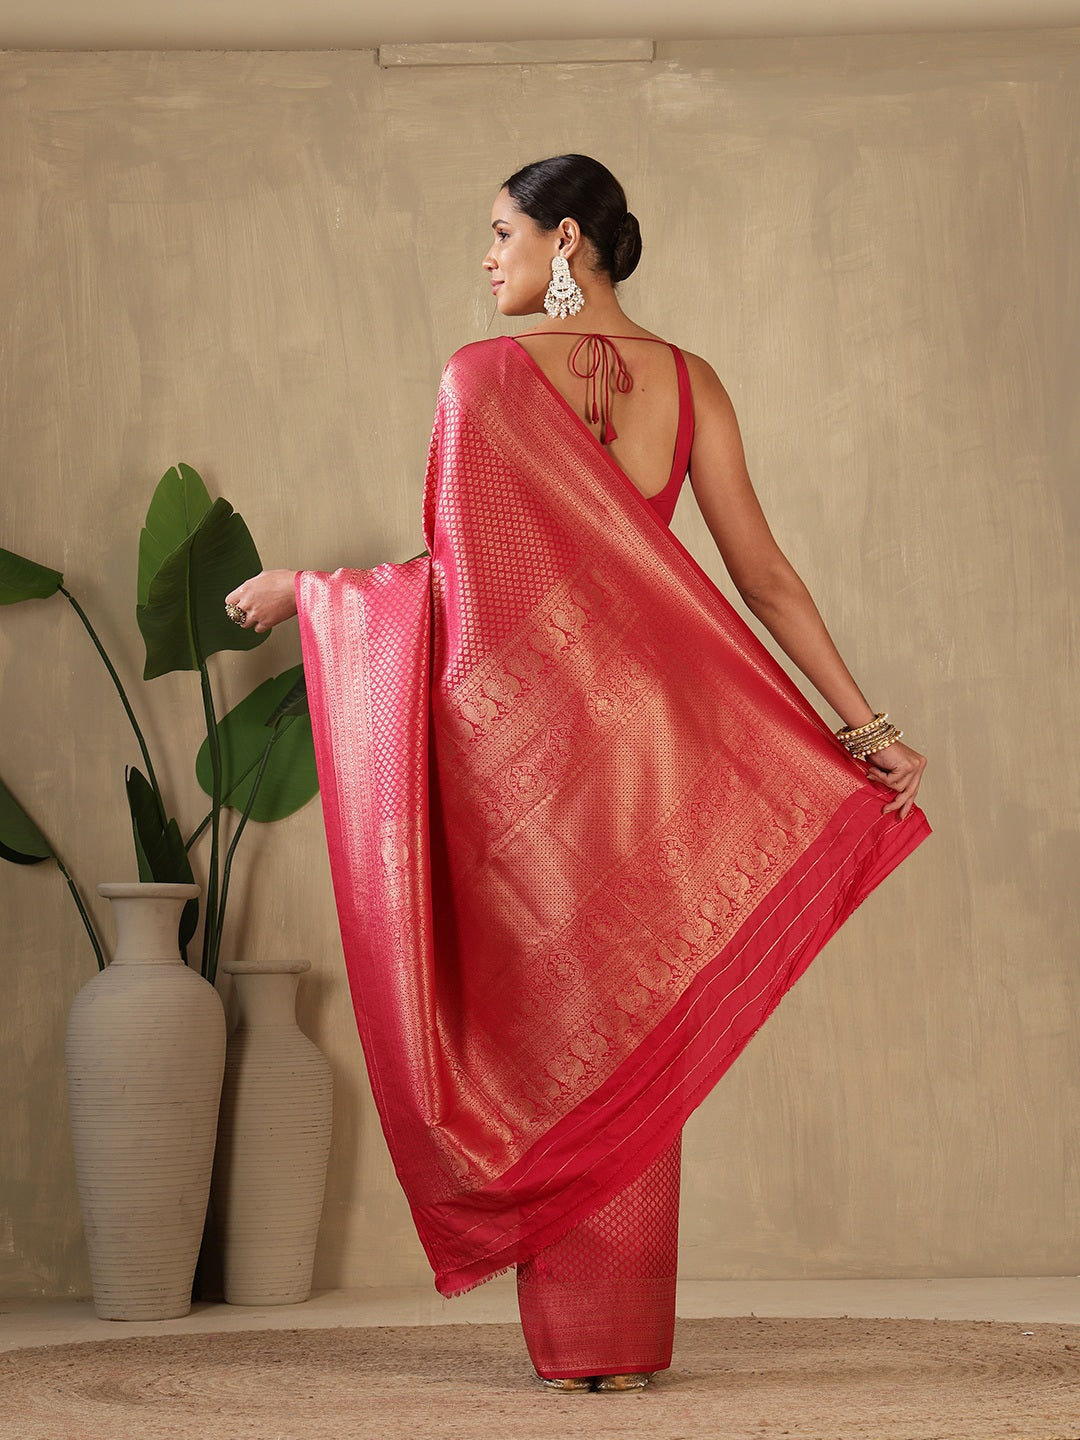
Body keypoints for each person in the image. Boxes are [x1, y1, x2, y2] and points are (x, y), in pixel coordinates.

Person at [226, 154, 929, 1393]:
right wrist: (866, 729)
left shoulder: (482, 379)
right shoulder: (692, 382)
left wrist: (315, 594)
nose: (487, 257)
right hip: (656, 755)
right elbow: (764, 578)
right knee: (634, 1028)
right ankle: (621, 1345)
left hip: (532, 762)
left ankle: (581, 1346)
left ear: (564, 239)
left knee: (555, 1031)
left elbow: (461, 589)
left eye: (501, 232)